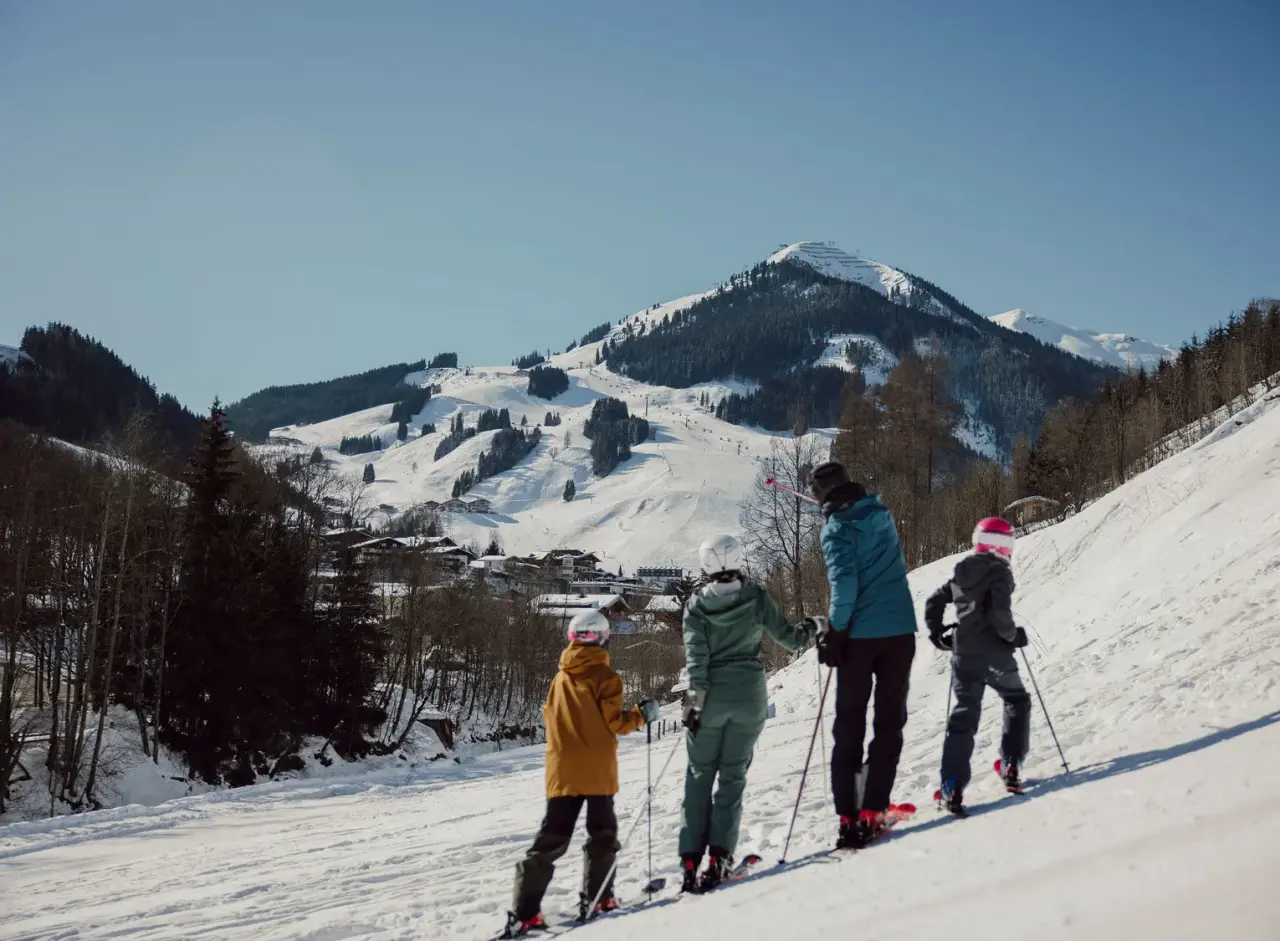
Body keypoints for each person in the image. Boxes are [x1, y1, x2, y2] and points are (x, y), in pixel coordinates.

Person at [505, 609, 660, 938]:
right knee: (602, 835)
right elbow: (616, 722)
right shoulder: (606, 677)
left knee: (550, 840)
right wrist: (643, 715)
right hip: (598, 770)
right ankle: (599, 899)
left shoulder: (559, 677)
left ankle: (525, 912)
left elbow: (550, 716)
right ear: (602, 638)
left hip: (562, 768)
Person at [678, 534, 817, 893]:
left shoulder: (696, 606)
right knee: (733, 777)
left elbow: (696, 658)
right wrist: (813, 627)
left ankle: (691, 860)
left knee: (698, 776)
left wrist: (694, 701)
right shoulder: (755, 598)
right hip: (749, 694)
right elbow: (791, 638)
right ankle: (720, 857)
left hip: (709, 696)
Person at [809, 460, 919, 850]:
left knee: (850, 725)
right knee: (889, 722)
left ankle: (848, 817)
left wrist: (834, 634)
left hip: (859, 639)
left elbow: (844, 585)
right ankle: (873, 808)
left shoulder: (835, 531)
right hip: (900, 632)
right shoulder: (882, 516)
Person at [924, 516, 1032, 816]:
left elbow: (934, 601)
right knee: (1017, 700)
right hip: (997, 654)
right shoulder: (1000, 573)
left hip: (964, 654)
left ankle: (952, 786)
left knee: (963, 717)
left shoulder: (962, 571)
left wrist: (939, 635)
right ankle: (1011, 763)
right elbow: (1000, 615)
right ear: (1002, 545)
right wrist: (1014, 636)